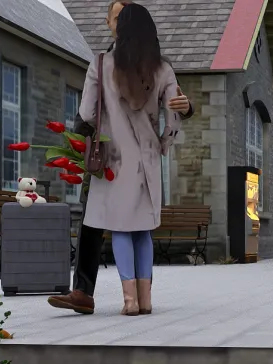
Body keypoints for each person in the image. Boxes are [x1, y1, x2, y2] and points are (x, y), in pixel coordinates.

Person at [48, 0, 194, 315]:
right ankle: (145, 300)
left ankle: (127, 300)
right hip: (148, 161)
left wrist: (89, 139)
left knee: (119, 229)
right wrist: (163, 144)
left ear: (120, 26)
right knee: (142, 229)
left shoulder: (101, 64)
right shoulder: (163, 68)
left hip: (112, 160)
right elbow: (175, 114)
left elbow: (86, 112)